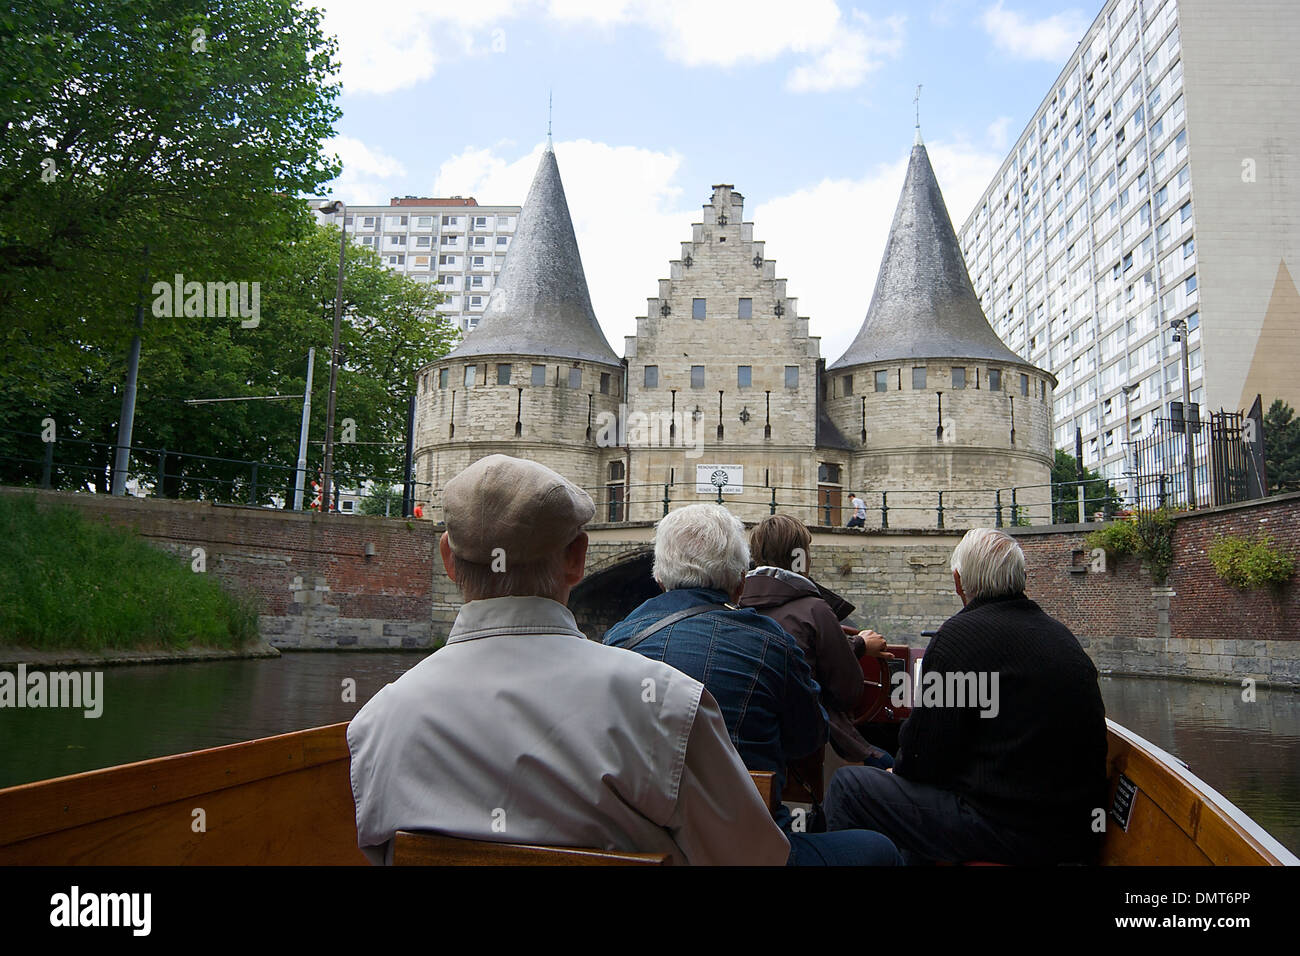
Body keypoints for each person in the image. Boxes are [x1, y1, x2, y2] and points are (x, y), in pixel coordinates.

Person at [347, 455, 789, 866]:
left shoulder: (377, 723)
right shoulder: (666, 704)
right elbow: (756, 858)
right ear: (577, 559)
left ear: (447, 557)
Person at [604, 503, 902, 866]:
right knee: (880, 849)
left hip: (643, 850)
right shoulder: (770, 642)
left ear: (660, 579)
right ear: (739, 582)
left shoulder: (617, 640)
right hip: (748, 851)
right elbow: (808, 739)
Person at [823, 528, 1108, 865]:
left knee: (848, 786)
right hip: (1074, 833)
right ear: (1022, 579)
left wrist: (895, 770)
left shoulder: (958, 638)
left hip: (1008, 831)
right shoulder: (1061, 638)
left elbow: (921, 758)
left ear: (959, 582)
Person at [740, 514, 895, 772]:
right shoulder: (815, 610)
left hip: (752, 740)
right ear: (802, 557)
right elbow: (847, 693)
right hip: (808, 739)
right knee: (888, 766)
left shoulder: (733, 603)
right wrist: (857, 646)